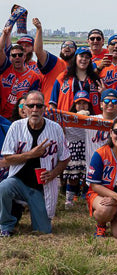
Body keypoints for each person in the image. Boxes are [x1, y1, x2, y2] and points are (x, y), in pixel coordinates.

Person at [0, 91, 70, 236]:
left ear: (44, 109)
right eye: (31, 105)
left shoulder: (55, 128)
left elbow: (65, 158)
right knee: (3, 187)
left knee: (43, 231)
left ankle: (32, 212)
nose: (35, 109)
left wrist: (53, 174)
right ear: (24, 109)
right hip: (18, 182)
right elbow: (7, 157)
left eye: (39, 106)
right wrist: (31, 154)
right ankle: (6, 225)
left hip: (40, 188)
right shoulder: (16, 127)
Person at [62, 90, 92, 209]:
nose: (81, 106)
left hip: (87, 147)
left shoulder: (93, 118)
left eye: (84, 103)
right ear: (75, 105)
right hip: (74, 148)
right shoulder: (69, 118)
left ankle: (86, 198)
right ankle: (69, 200)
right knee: (72, 176)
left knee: (86, 175)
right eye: (79, 103)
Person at [50, 46, 102, 114]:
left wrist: (103, 93)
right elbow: (53, 102)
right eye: (81, 56)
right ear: (75, 58)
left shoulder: (95, 79)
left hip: (92, 120)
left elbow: (103, 104)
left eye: (87, 57)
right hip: (66, 119)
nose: (84, 59)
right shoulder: (63, 77)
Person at [32, 18, 71, 103]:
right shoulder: (55, 62)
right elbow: (38, 51)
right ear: (60, 50)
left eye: (71, 46)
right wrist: (39, 29)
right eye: (64, 46)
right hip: (48, 108)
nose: (67, 47)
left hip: (66, 110)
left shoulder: (80, 69)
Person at [0, 42, 42, 119]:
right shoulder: (5, 69)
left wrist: (21, 109)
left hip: (19, 116)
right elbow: (0, 49)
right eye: (14, 55)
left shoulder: (34, 77)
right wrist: (5, 34)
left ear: (24, 57)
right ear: (10, 58)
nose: (17, 57)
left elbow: (31, 99)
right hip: (1, 115)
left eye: (20, 55)